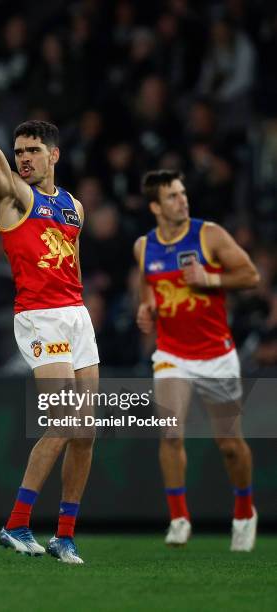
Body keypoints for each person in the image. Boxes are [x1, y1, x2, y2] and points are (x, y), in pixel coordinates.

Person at [0, 51, 99, 564]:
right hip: (38, 316)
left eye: (33, 151)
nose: (24, 159)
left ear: (54, 155)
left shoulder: (73, 206)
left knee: (85, 432)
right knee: (62, 421)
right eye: (20, 152)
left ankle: (65, 535)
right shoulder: (14, 197)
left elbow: (74, 263)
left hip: (75, 315)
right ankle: (16, 525)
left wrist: (81, 310)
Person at [134, 170, 259, 551]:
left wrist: (212, 280)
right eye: (172, 196)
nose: (182, 200)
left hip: (216, 353)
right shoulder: (144, 246)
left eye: (183, 193)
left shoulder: (210, 235)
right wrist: (147, 309)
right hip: (172, 353)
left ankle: (243, 511)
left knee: (229, 445)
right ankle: (179, 517)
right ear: (155, 206)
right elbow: (148, 287)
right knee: (171, 432)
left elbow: (251, 275)